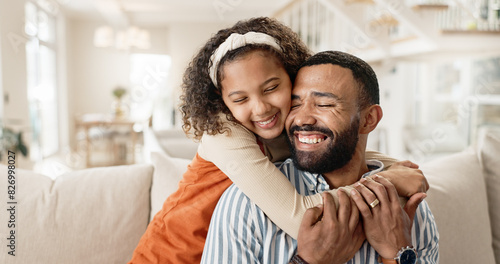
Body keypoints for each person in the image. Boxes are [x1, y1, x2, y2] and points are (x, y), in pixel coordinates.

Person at [129, 18, 428, 264]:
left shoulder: (285, 125)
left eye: (271, 88)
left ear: (291, 76)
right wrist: (388, 183)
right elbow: (299, 217)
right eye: (240, 98)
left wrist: (392, 167)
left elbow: (339, 144)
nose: (261, 108)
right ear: (222, 103)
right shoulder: (224, 132)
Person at [201, 51, 439, 264]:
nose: (303, 119)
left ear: (369, 119)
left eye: (324, 104)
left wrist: (397, 255)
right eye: (295, 104)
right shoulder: (247, 202)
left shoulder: (409, 206)